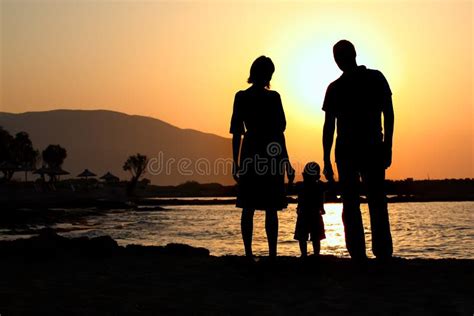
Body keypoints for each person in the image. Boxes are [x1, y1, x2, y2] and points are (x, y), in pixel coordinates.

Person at [322, 40, 394, 261]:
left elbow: (389, 114)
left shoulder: (373, 78)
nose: (339, 61)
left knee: (367, 202)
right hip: (356, 150)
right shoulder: (339, 86)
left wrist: (387, 147)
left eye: (339, 56)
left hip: (365, 148)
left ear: (351, 55)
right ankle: (364, 253)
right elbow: (329, 127)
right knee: (364, 202)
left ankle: (372, 253)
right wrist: (326, 159)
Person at [230, 56, 295, 260]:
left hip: (254, 151)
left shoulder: (243, 97)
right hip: (268, 152)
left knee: (256, 206)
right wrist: (285, 162)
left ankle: (254, 254)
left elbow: (237, 132)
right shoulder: (271, 97)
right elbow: (278, 131)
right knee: (267, 207)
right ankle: (268, 254)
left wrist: (236, 162)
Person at [293, 162, 326, 258]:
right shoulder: (319, 186)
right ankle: (315, 254)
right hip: (313, 214)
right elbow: (323, 195)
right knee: (315, 237)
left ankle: (305, 254)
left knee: (305, 237)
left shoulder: (301, 186)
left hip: (305, 214)